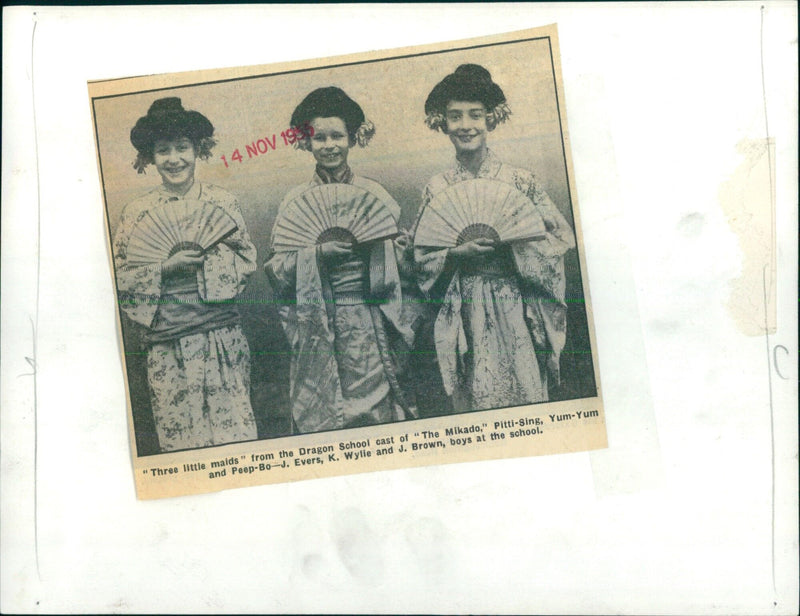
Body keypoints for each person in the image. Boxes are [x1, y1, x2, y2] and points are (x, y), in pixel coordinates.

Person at [413, 64, 576, 412]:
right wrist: (455, 254)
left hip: (515, 302)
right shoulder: (436, 187)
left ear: (491, 119)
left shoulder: (521, 182)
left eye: (475, 115)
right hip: (463, 305)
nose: (465, 125)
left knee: (525, 390)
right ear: (442, 123)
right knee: (474, 398)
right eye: (455, 116)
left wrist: (513, 247)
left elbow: (560, 238)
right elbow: (421, 257)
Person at [265, 87, 420, 433]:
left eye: (337, 136)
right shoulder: (295, 200)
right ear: (306, 143)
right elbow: (276, 272)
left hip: (370, 317)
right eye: (319, 138)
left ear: (352, 138)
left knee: (376, 416)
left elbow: (404, 270)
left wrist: (395, 250)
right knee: (326, 414)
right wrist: (316, 256)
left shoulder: (375, 195)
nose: (329, 145)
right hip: (318, 318)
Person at [113, 97, 258, 452]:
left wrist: (205, 261)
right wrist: (165, 267)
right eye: (163, 150)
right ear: (150, 157)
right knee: (180, 435)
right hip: (167, 339)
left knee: (232, 430)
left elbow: (247, 259)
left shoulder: (222, 202)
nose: (174, 159)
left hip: (220, 333)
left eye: (182, 147)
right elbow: (122, 276)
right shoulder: (137, 211)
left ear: (198, 150)